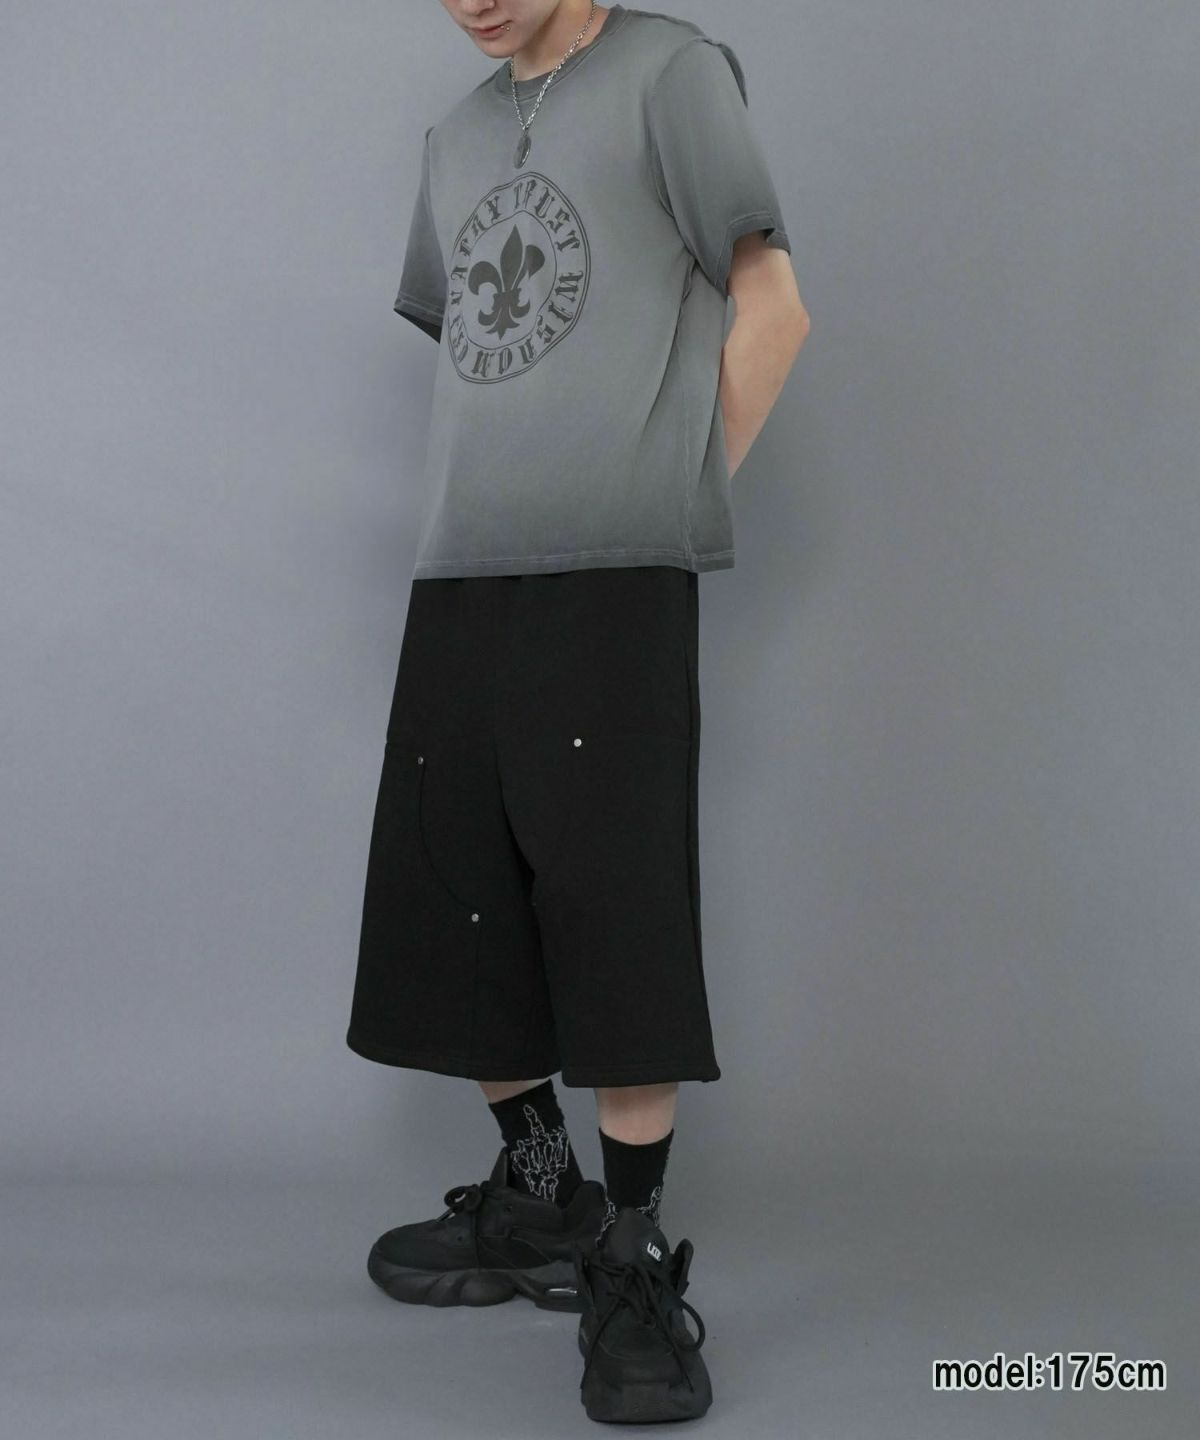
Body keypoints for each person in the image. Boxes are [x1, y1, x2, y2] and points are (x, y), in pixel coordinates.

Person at [345, 0, 810, 1423]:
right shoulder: (455, 136)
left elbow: (775, 306)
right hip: (460, 571)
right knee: (457, 890)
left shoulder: (674, 75)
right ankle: (540, 1185)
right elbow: (486, 354)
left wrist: (671, 503)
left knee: (616, 901)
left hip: (613, 573)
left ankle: (631, 1255)